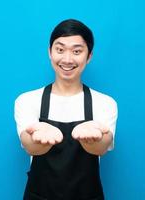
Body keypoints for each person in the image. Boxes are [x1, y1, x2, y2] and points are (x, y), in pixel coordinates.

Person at [14, 19, 118, 200]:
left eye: (77, 51)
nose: (67, 59)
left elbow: (101, 147)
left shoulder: (104, 103)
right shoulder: (28, 100)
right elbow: (30, 146)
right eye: (60, 49)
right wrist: (41, 138)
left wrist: (91, 138)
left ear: (89, 56)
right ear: (50, 52)